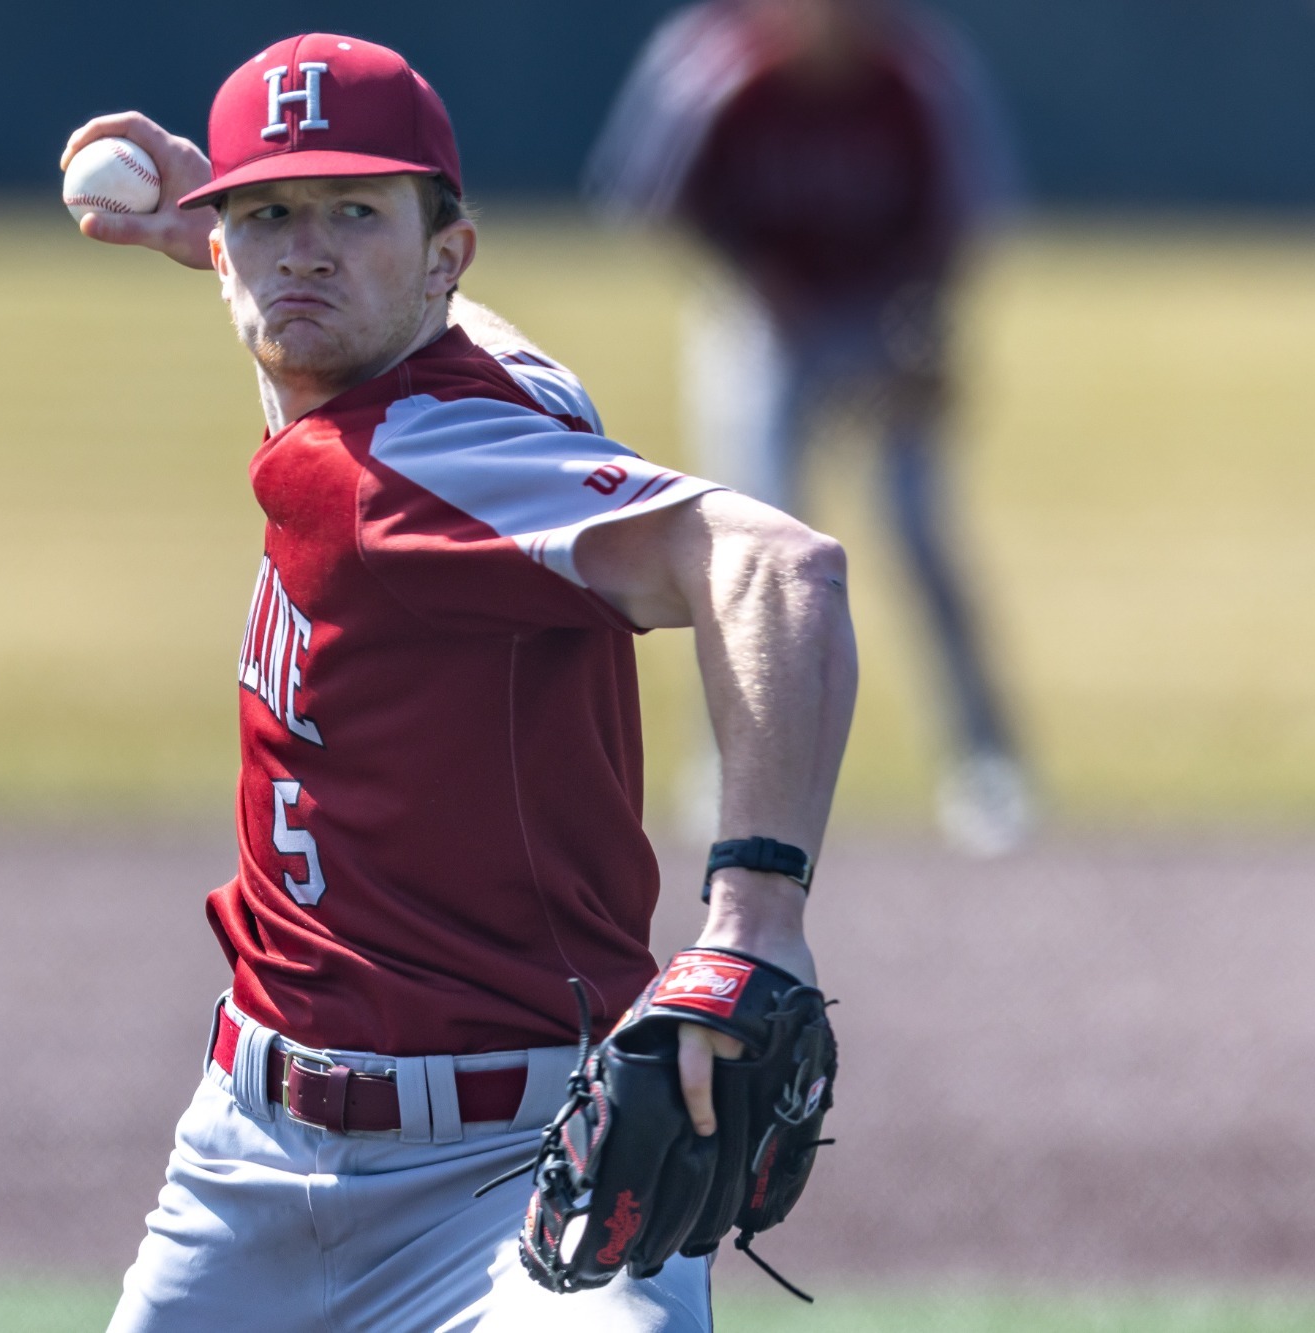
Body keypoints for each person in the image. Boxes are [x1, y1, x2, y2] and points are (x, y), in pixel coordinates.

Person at [61, 32, 855, 1332]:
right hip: (245, 1171)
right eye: (266, 217)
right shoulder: (494, 381)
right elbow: (345, 299)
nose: (303, 251)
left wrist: (754, 921)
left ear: (448, 256)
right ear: (218, 250)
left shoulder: (406, 467)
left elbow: (779, 567)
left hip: (512, 1184)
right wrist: (206, 213)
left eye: (354, 213)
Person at [585, 0, 1030, 855]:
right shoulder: (719, 66)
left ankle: (985, 764)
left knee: (917, 529)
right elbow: (643, 197)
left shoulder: (915, 75)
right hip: (768, 322)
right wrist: (751, 284)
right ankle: (730, 766)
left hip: (880, 321)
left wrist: (929, 334)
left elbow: (966, 214)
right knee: (755, 540)